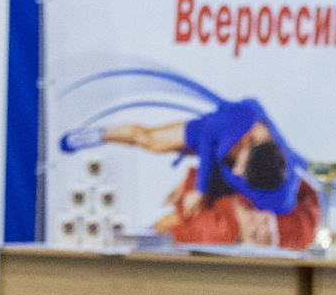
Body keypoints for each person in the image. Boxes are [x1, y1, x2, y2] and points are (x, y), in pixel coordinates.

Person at [102, 98, 321, 249]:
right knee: (149, 140)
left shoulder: (278, 198)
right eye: (240, 167)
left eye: (258, 234)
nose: (236, 171)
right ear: (250, 143)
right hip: (208, 139)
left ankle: (143, 234)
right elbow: (208, 137)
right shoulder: (245, 119)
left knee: (182, 222)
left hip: (218, 190)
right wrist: (198, 188)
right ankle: (99, 135)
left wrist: (193, 185)